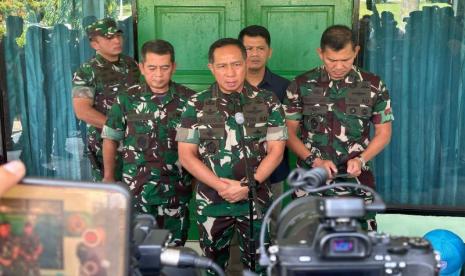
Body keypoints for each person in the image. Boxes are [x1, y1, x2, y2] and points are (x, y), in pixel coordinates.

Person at [176, 38, 287, 274]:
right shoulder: (195, 104)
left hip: (256, 200)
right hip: (212, 202)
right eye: (222, 66)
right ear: (211, 68)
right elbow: (187, 156)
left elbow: (276, 150)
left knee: (260, 266)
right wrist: (222, 187)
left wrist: (250, 185)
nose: (230, 73)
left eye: (236, 64)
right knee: (212, 267)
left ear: (246, 63)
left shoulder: (268, 101)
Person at [283, 25, 393, 231]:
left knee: (359, 245)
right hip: (312, 181)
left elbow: (383, 133)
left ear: (357, 52)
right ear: (320, 53)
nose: (339, 66)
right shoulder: (301, 85)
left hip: (356, 182)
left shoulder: (373, 85)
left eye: (346, 60)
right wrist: (313, 160)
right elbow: (287, 133)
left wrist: (361, 159)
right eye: (332, 60)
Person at [101, 40, 195, 246]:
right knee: (137, 251)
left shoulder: (190, 100)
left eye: (164, 67)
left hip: (175, 192)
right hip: (137, 191)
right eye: (152, 68)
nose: (159, 74)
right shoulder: (126, 99)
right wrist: (108, 176)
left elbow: (198, 149)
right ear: (141, 67)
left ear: (174, 67)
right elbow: (110, 138)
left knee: (174, 251)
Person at [72, 18, 140, 181]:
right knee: (110, 194)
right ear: (95, 44)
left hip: (135, 141)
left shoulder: (131, 64)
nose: (117, 40)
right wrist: (118, 129)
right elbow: (82, 111)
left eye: (118, 35)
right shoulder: (86, 71)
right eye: (109, 38)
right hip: (105, 144)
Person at [238, 24, 290, 237]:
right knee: (237, 230)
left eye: (260, 48)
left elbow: (291, 131)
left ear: (270, 51)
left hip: (274, 172)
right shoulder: (229, 84)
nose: (255, 54)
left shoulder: (285, 87)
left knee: (272, 226)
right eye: (248, 48)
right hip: (236, 173)